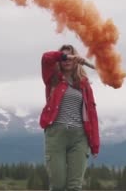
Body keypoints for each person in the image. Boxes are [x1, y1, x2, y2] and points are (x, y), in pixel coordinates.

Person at [39, 44, 100, 191]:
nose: (67, 60)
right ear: (60, 60)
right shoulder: (52, 78)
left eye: (71, 57)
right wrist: (66, 56)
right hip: (56, 135)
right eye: (64, 57)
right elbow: (46, 58)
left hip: (79, 137)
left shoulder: (84, 85)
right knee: (58, 185)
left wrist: (95, 144)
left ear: (77, 62)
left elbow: (92, 114)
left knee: (74, 186)